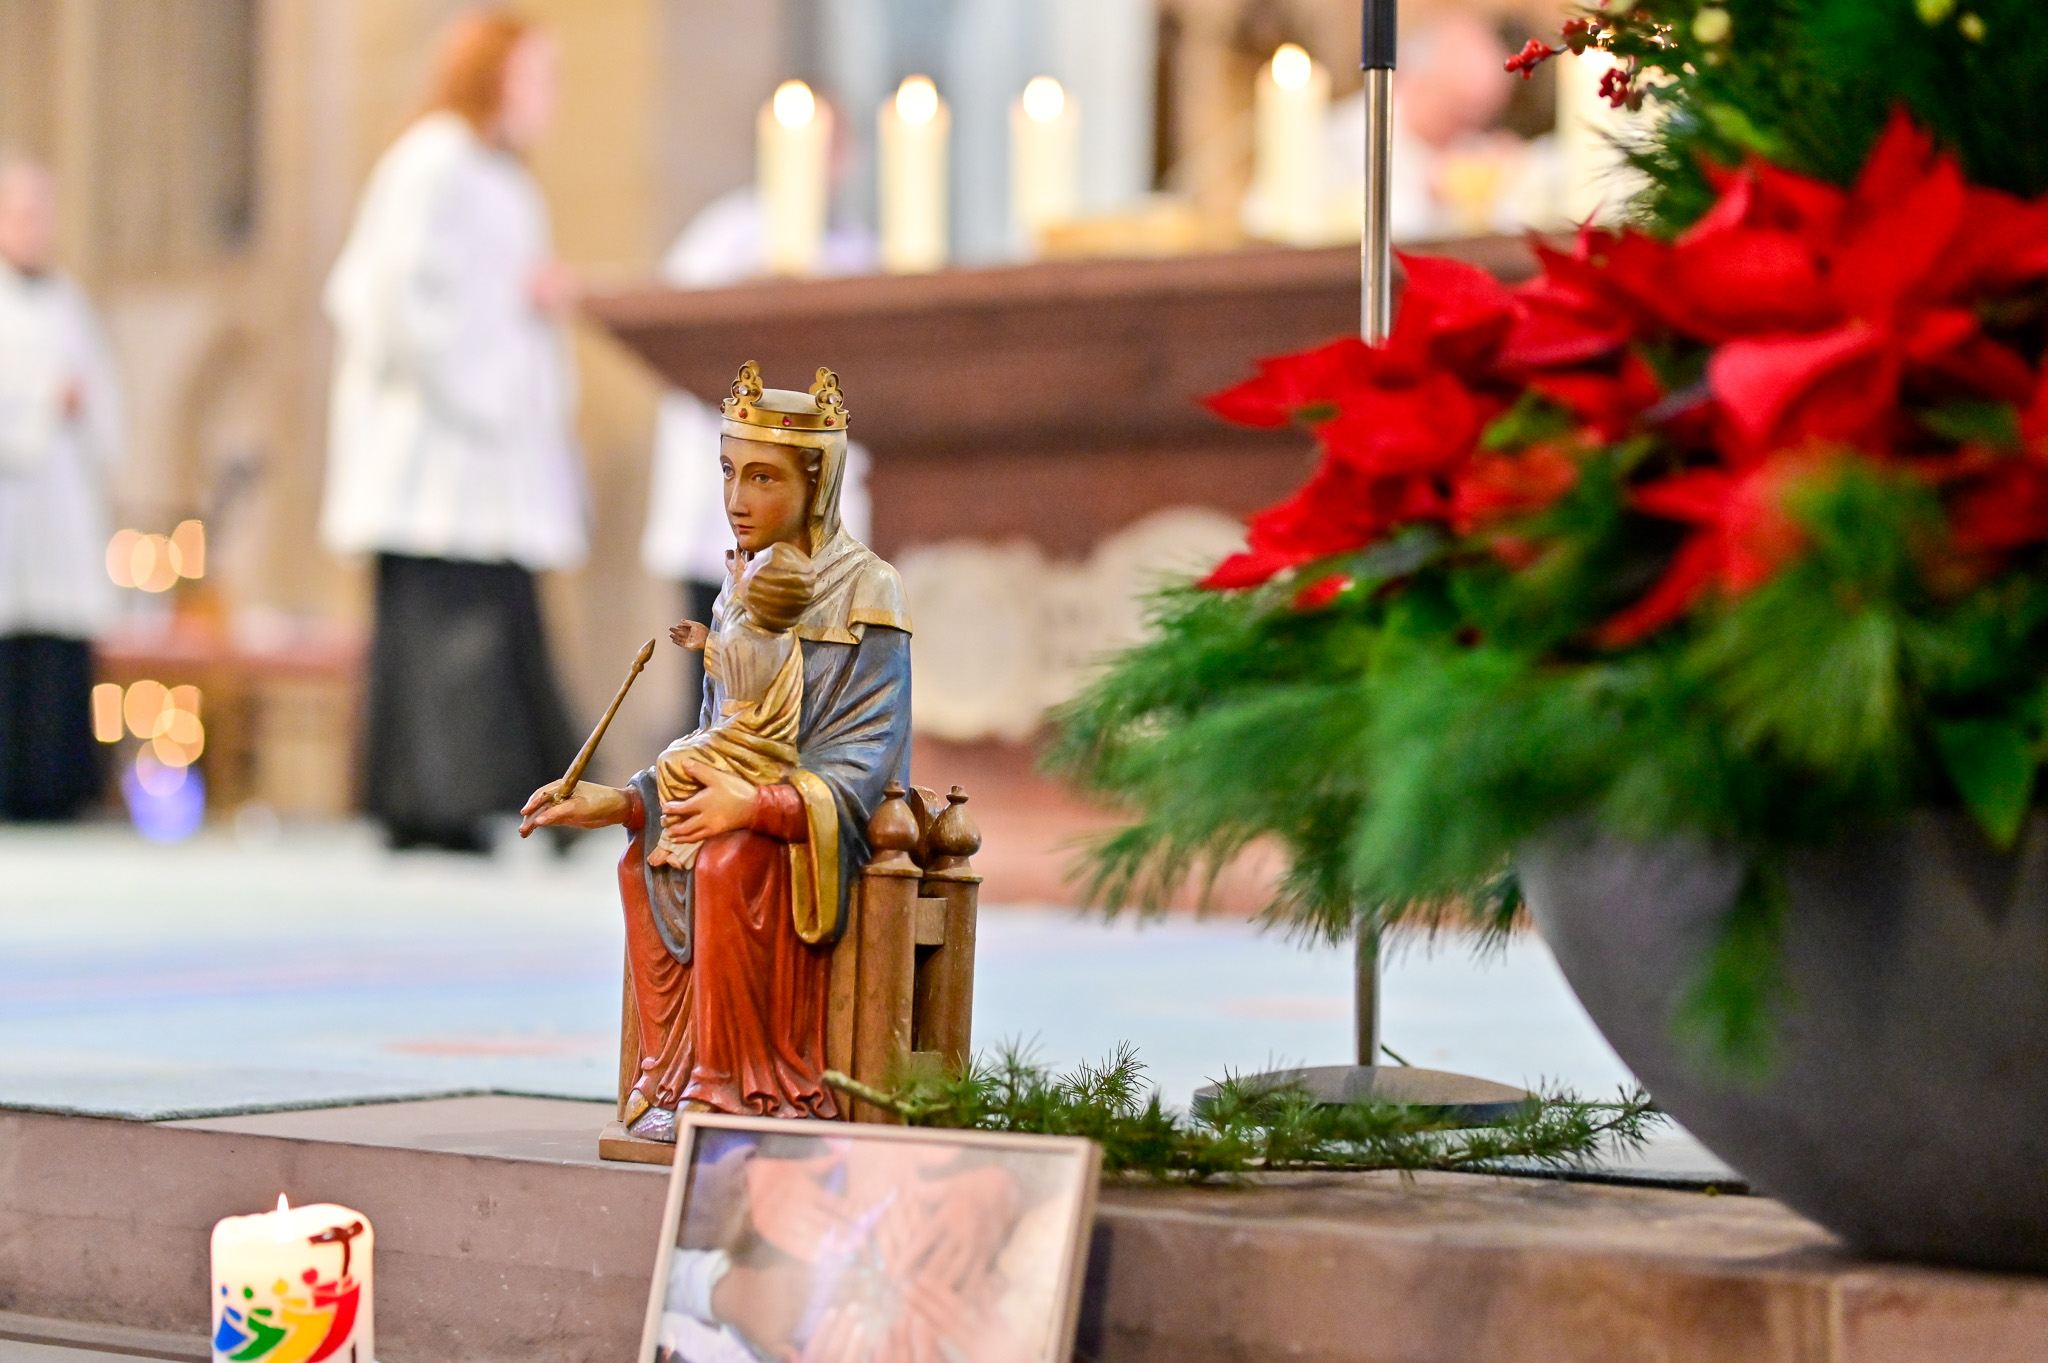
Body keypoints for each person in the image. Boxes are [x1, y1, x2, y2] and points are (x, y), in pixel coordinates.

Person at [524, 362, 912, 1135]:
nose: (736, 499)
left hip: (810, 831)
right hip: (747, 797)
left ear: (818, 483)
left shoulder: (868, 590)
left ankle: (743, 1083)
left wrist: (756, 806)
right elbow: (718, 736)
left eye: (762, 477)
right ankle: (668, 1071)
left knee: (726, 863)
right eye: (729, 471)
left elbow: (868, 756)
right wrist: (623, 801)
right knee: (643, 858)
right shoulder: (739, 586)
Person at [321, 10, 585, 851]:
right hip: (436, 449)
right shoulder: (432, 161)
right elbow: (392, 296)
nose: (551, 97)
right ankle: (432, 803)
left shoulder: (509, 182)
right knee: (442, 625)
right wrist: (500, 335)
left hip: (486, 456)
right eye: (539, 76)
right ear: (492, 76)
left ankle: (491, 799)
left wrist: (532, 302)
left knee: (497, 617)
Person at [640, 158, 875, 713]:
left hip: (818, 512)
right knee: (718, 692)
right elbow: (678, 336)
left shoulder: (858, 250)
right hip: (722, 511)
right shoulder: (725, 237)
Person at [0, 159, 123, 822]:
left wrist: (81, 405)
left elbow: (105, 400)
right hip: (11, 509)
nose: (33, 227)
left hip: (62, 503)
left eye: (42, 214)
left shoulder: (71, 304)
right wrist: (42, 404)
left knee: (58, 651)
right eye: (21, 214)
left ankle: (60, 789)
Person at [1327, 11, 1525, 241]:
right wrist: (1430, 196)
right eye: (1455, 110)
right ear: (1414, 81)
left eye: (1478, 119)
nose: (1463, 130)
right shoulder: (1352, 136)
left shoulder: (1468, 144)